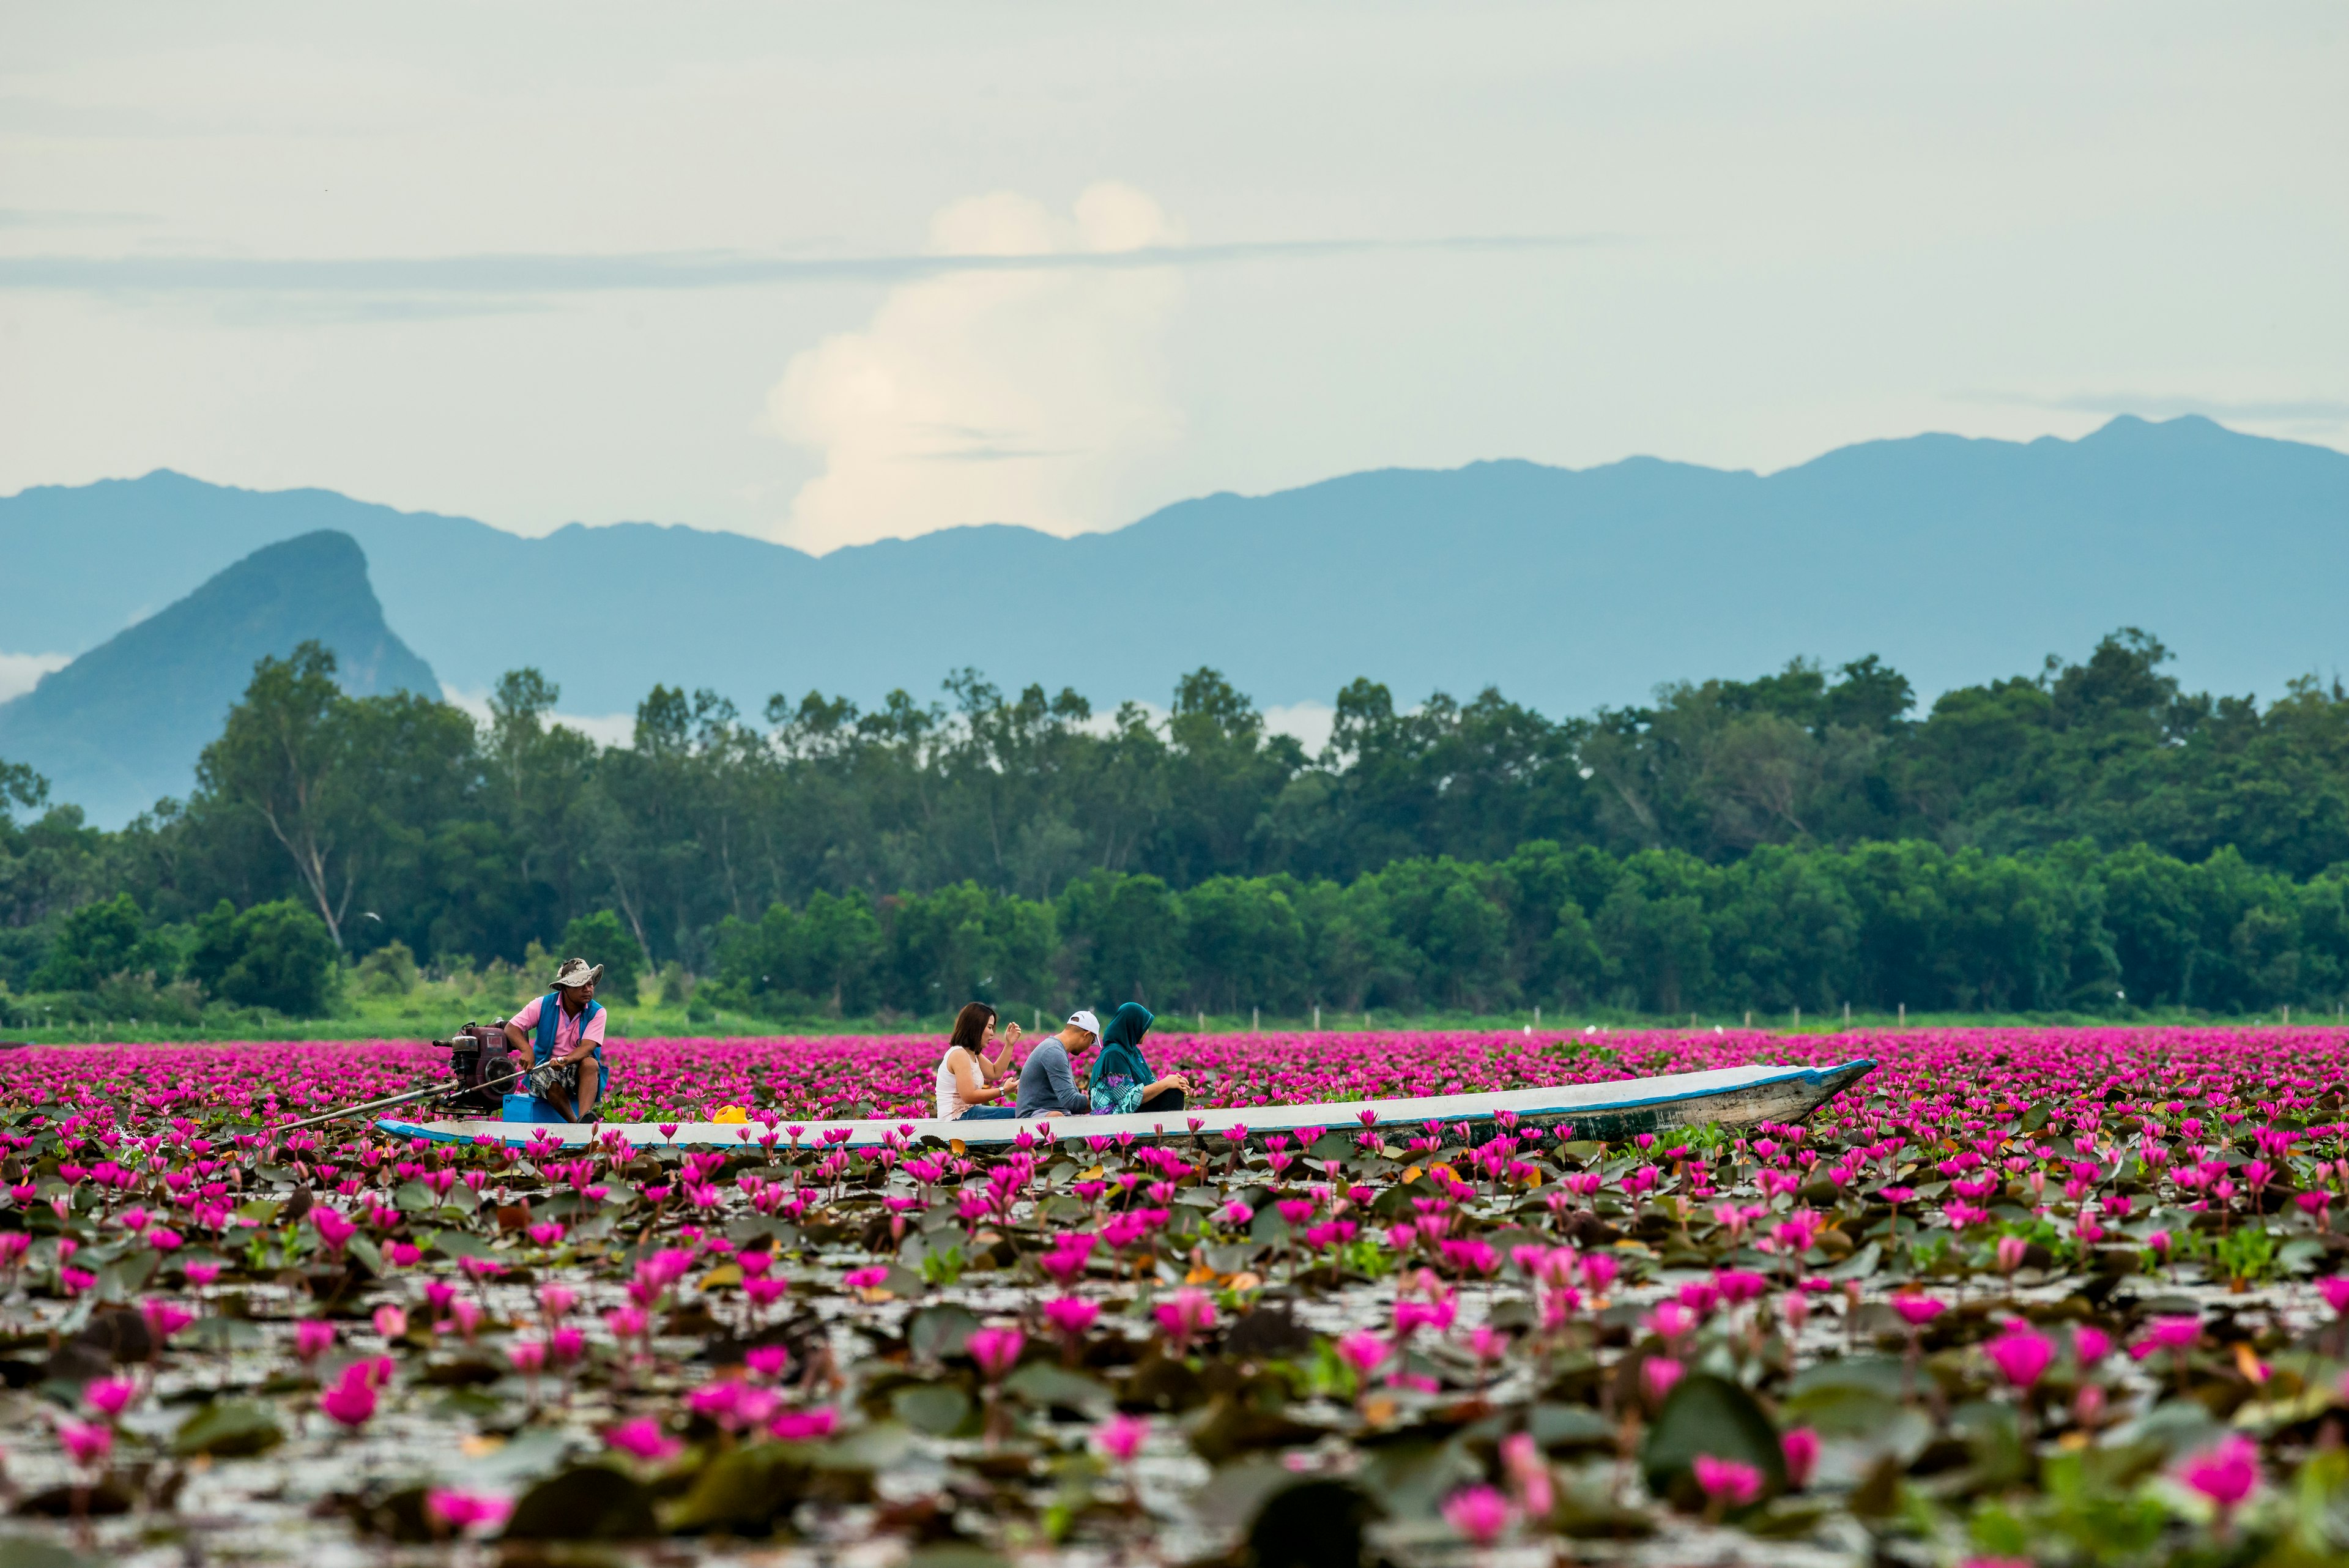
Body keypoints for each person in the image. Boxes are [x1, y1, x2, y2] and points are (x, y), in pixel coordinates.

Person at [503, 956, 607, 1122]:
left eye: (590, 984)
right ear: (565, 988)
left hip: (576, 1068)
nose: (588, 989)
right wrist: (526, 1050)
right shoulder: (542, 1005)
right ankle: (576, 1124)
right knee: (547, 1077)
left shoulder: (598, 1012)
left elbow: (588, 1047)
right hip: (545, 1068)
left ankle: (584, 1117)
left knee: (591, 1063)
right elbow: (511, 1028)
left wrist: (566, 1060)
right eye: (581, 985)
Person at [1089, 1001, 1189, 1115]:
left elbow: (1152, 1083)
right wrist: (1166, 1083)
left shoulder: (1133, 1052)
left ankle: (1166, 1130)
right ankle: (1167, 1130)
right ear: (1134, 1027)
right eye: (1145, 1027)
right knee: (1172, 1093)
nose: (1147, 1031)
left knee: (1173, 1090)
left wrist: (1174, 1081)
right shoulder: (1113, 1055)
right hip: (1111, 1118)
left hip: (1130, 1114)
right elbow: (1128, 1101)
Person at [934, 1001, 1023, 1121]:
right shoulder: (959, 1055)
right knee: (1019, 1114)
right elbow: (969, 1096)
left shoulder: (972, 1053)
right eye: (990, 1028)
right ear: (976, 1027)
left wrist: (1010, 1044)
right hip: (957, 1118)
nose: (992, 1033)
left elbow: (995, 1073)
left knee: (1021, 1113)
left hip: (970, 1113)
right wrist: (1003, 1091)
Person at [1017, 1009, 1100, 1118]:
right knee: (1056, 1117)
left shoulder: (1058, 1050)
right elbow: (1071, 1101)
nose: (1089, 1046)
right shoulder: (1053, 1052)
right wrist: (1104, 1099)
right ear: (1086, 1035)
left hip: (1055, 1113)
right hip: (1033, 1117)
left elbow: (1074, 1104)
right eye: (1092, 1041)